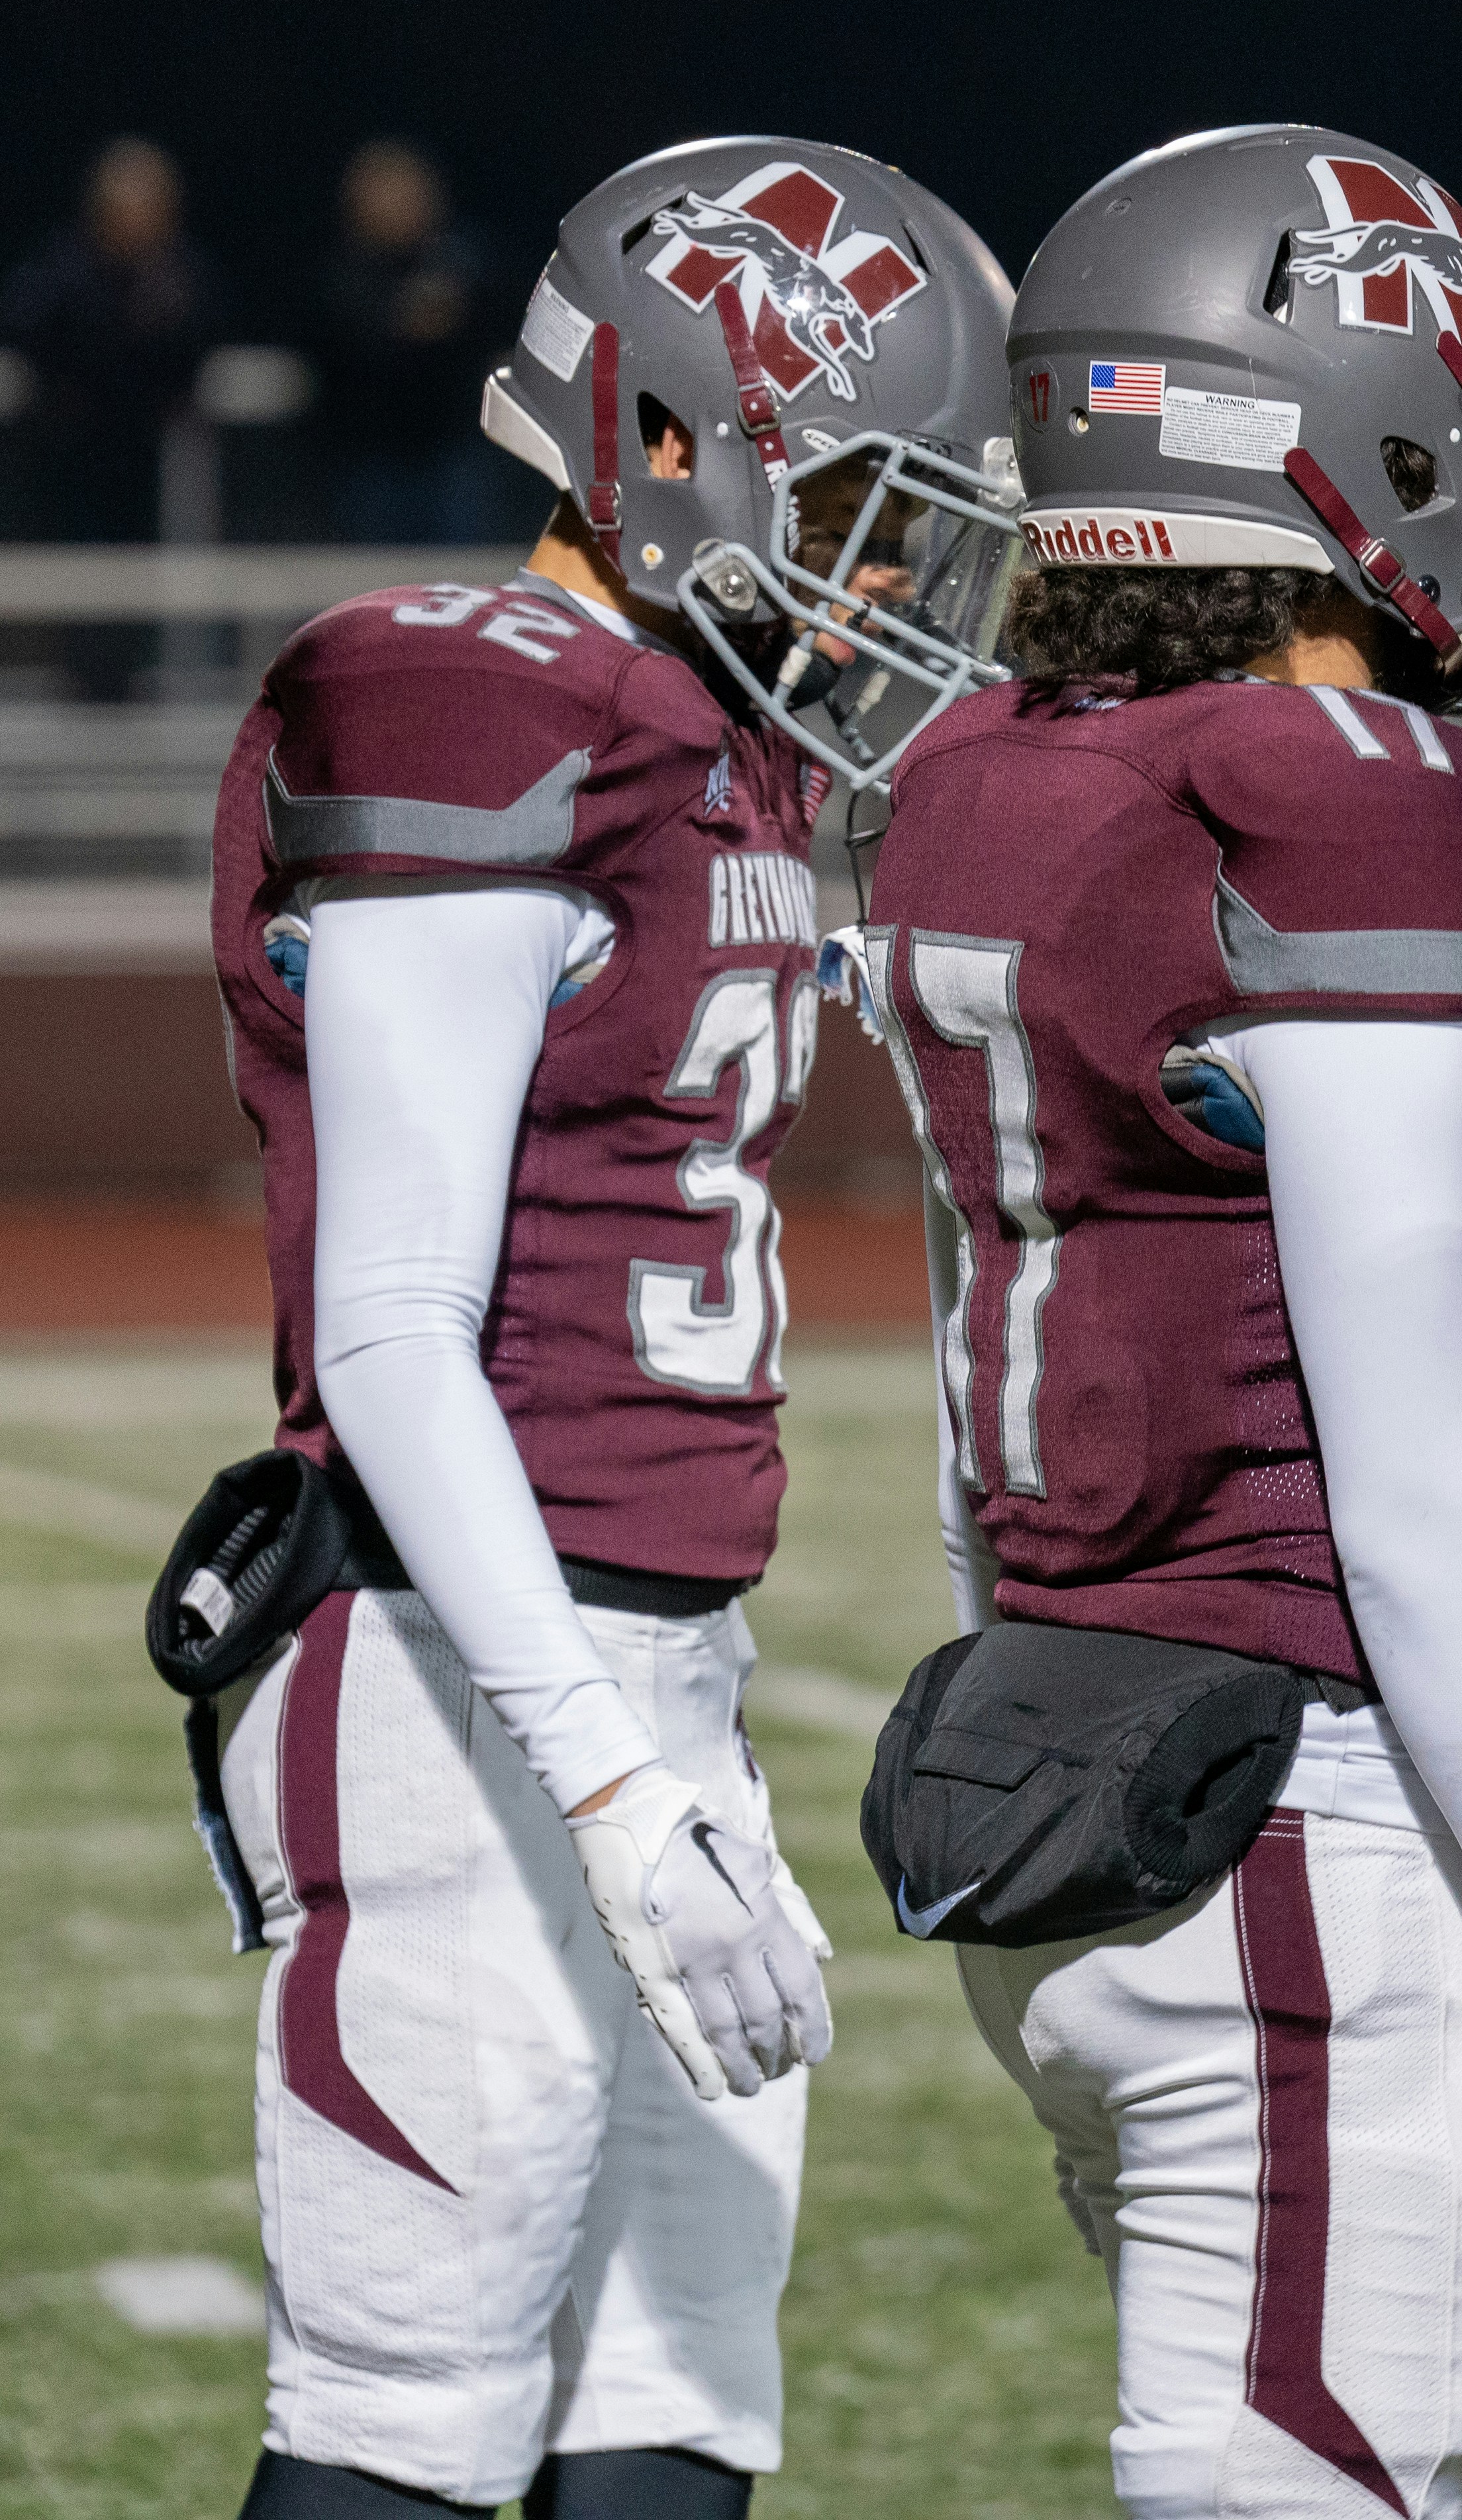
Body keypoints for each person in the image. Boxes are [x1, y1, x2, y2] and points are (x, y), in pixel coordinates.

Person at [852, 124, 1462, 2520]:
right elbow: (1412, 1493)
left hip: (1046, 1788)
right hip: (1293, 1827)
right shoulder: (1344, 798)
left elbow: (962, 1364)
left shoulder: (970, 775)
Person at [197, 134, 1021, 2518]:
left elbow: (660, 1031)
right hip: (463, 1684)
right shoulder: (469, 699)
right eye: (861, 507)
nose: (891, 580)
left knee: (671, 2446)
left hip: (667, 1673)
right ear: (674, 437)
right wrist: (604, 1785)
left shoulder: (722, 736)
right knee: (403, 2448)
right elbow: (385, 1328)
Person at [3, 135, 228, 697]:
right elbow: (35, 337)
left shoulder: (180, 274)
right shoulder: (64, 268)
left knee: (153, 590)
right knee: (75, 592)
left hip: (152, 461)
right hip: (69, 459)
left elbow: (199, 349)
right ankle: (84, 695)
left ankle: (138, 691)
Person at [320, 140, 503, 548]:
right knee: (372, 583)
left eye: (406, 191)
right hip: (367, 457)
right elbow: (340, 359)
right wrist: (399, 325)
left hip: (453, 451)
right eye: (382, 192)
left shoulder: (464, 263)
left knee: (462, 578)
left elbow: (494, 342)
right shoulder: (340, 276)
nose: (395, 204)